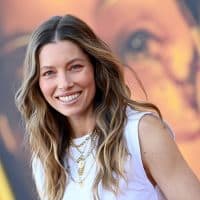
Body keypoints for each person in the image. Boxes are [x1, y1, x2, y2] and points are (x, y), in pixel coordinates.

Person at [15, 14, 200, 200]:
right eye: (49, 73)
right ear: (37, 82)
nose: (64, 83)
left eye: (75, 67)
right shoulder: (46, 158)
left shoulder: (141, 132)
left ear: (96, 68)